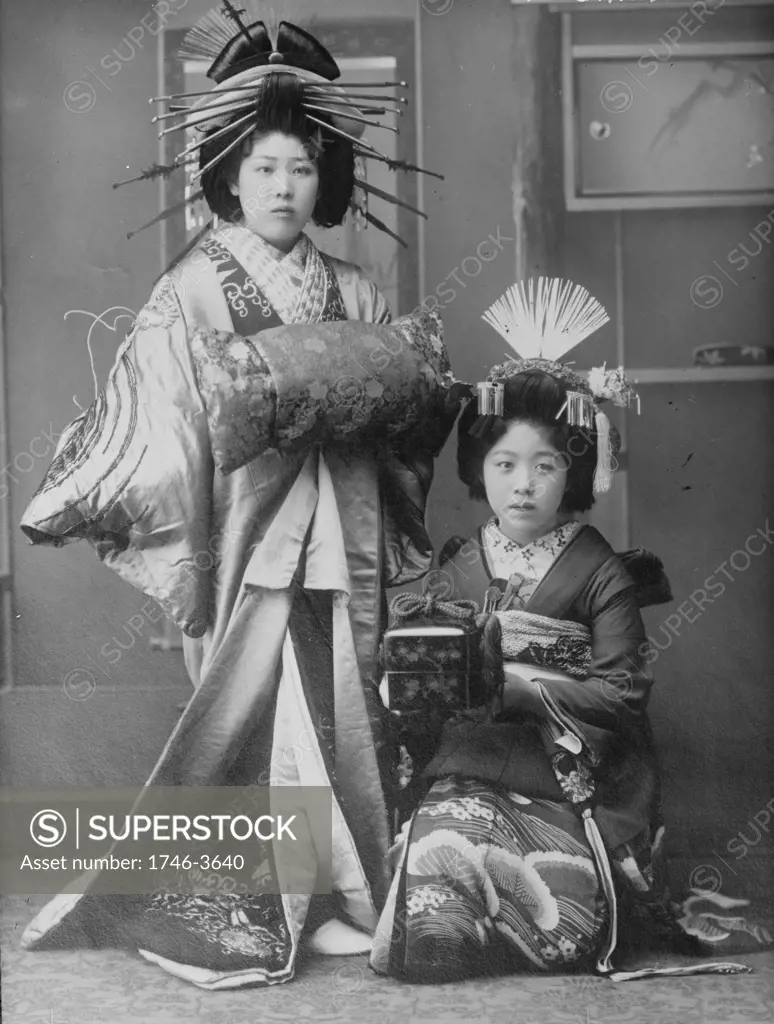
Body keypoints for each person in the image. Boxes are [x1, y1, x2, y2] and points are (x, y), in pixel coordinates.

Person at [18, 14, 456, 990]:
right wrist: (192, 571)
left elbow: (398, 426)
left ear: (327, 174)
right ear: (226, 171)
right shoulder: (191, 291)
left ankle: (346, 889)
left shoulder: (357, 288)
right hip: (250, 536)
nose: (284, 188)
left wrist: (415, 403)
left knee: (347, 709)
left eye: (301, 167)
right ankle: (286, 893)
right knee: (270, 715)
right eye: (262, 168)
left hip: (344, 526)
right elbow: (168, 436)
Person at [371, 279, 769, 983]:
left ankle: (492, 924)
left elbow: (620, 695)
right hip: (470, 763)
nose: (524, 484)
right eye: (505, 464)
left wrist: (518, 685)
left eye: (546, 464)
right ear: (479, 469)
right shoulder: (458, 565)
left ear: (574, 470)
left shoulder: (602, 572)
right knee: (440, 834)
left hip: (572, 779)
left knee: (554, 882)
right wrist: (410, 681)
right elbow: (422, 679)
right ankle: (446, 929)